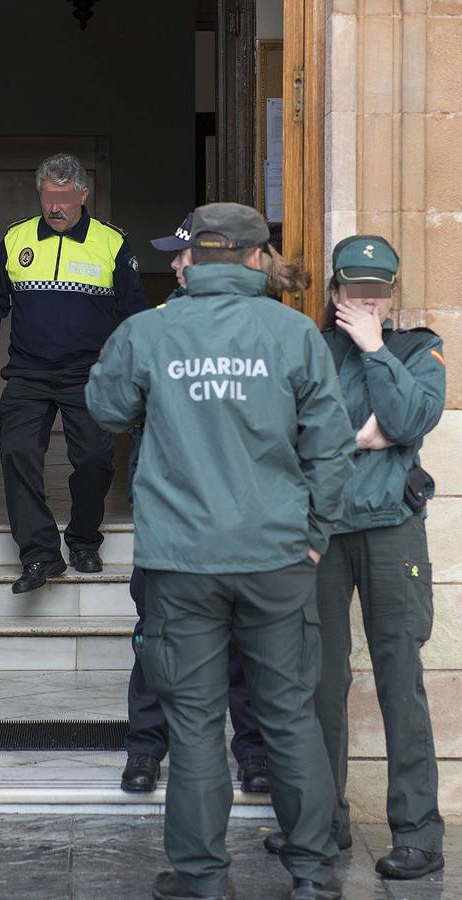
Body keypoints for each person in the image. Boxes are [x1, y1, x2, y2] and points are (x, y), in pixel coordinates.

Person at [86, 202, 356, 900]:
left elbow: (107, 408)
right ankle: (312, 875)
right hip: (278, 558)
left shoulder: (149, 331)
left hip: (181, 563)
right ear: (255, 258)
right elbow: (330, 449)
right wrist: (316, 536)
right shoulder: (295, 335)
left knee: (195, 723)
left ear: (193, 259)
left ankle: (204, 880)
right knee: (290, 716)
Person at [263, 235, 446, 880]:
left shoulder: (418, 348)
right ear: (335, 290)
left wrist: (375, 352)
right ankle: (321, 825)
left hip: (393, 530)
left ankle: (419, 832)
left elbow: (413, 415)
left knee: (401, 679)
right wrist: (365, 437)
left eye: (377, 290)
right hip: (323, 529)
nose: (366, 301)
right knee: (318, 681)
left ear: (392, 294)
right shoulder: (308, 347)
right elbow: (294, 430)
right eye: (354, 289)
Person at [122, 213, 268, 797]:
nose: (174, 265)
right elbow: (117, 405)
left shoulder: (260, 328)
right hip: (170, 513)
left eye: (180, 256)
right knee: (155, 639)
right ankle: (144, 750)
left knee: (245, 643)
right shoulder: (154, 326)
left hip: (240, 512)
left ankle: (253, 753)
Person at [0, 152, 149, 594]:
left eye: (64, 200)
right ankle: (39, 554)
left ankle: (84, 540)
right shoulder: (16, 239)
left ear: (83, 195)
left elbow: (136, 313)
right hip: (28, 372)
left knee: (94, 459)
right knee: (16, 453)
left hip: (88, 374)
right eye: (48, 199)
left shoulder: (110, 243)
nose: (55, 209)